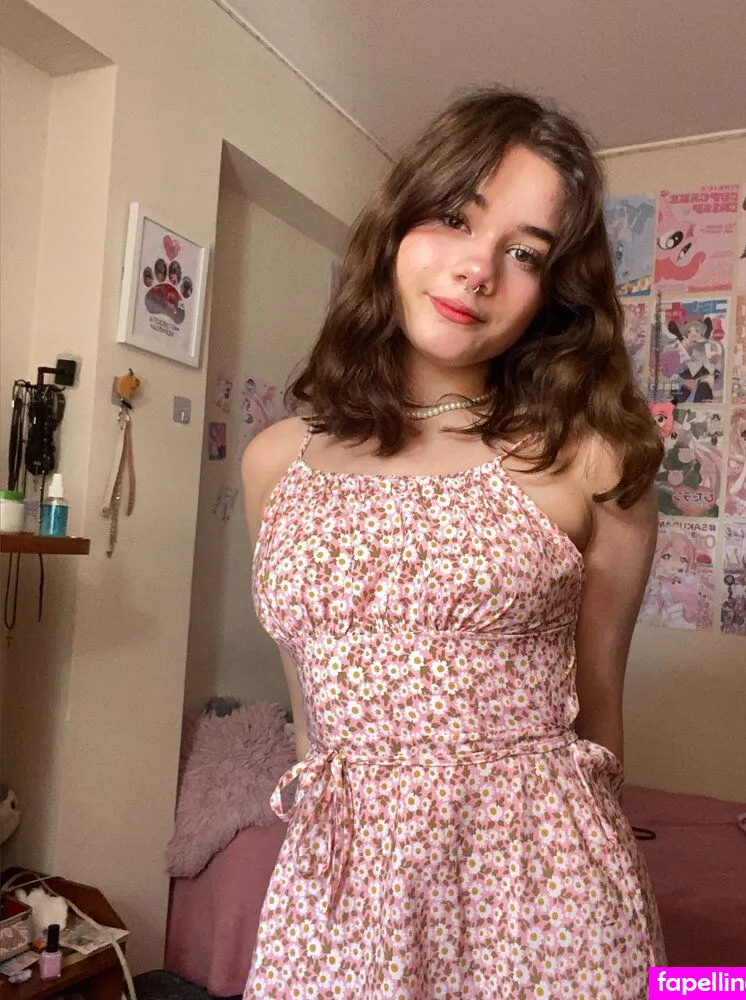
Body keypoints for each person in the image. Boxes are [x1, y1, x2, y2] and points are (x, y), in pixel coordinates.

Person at [242, 88, 666, 999]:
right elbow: (312, 716)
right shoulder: (277, 461)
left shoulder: (591, 461)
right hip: (343, 894)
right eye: (454, 218)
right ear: (397, 228)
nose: (479, 269)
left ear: (552, 293)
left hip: (543, 901)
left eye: (524, 253)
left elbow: (600, 717)